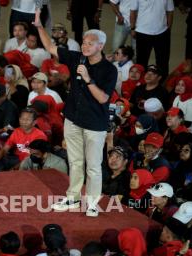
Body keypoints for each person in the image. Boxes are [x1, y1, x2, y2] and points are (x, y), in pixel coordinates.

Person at [35, 9, 117, 217]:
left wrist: (88, 78)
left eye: (90, 43)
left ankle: (91, 203)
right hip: (72, 120)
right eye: (83, 42)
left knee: (93, 166)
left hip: (95, 124)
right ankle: (72, 197)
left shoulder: (109, 70)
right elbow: (50, 47)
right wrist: (38, 26)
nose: (85, 46)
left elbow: (103, 98)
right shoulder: (77, 59)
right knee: (75, 162)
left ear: (100, 46)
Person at [0, 108, 47, 172]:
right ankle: (3, 172)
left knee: (26, 166)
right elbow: (4, 150)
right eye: (22, 119)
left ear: (34, 122)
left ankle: (4, 172)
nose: (24, 122)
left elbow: (32, 158)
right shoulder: (17, 131)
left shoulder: (40, 136)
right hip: (16, 159)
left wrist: (13, 169)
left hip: (29, 162)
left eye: (27, 120)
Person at [130, 0, 174, 78]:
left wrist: (168, 29)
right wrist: (133, 28)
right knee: (141, 62)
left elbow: (170, 11)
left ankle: (162, 85)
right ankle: (140, 85)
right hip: (142, 32)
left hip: (162, 33)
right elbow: (133, 11)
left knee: (163, 63)